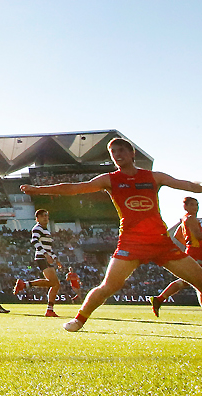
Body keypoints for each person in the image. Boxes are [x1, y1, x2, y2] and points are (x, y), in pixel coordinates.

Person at [21, 138, 202, 332]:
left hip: (160, 242)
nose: (117, 155)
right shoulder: (109, 179)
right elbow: (74, 188)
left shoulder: (154, 177)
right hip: (131, 243)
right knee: (108, 287)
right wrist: (39, 190)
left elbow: (190, 185)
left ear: (132, 153)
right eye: (113, 152)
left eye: (121, 150)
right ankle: (79, 320)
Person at [150, 196, 202, 317]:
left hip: (194, 252)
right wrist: (193, 245)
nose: (196, 207)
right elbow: (198, 236)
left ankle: (159, 299)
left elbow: (178, 236)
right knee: (194, 282)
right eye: (192, 204)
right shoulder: (191, 218)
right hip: (197, 254)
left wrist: (189, 244)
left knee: (192, 282)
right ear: (185, 207)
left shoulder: (185, 219)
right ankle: (159, 298)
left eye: (197, 204)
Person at [13, 208, 61, 317]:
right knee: (54, 283)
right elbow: (34, 241)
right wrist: (46, 255)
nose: (45, 217)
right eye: (42, 216)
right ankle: (48, 309)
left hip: (45, 257)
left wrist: (55, 258)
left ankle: (25, 285)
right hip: (41, 258)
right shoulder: (37, 228)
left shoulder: (46, 230)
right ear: (37, 219)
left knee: (54, 284)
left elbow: (48, 248)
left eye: (46, 215)